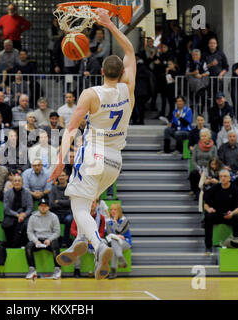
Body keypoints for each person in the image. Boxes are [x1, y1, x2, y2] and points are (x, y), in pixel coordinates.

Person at [48, 9, 136, 280]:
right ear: (122, 72)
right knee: (87, 204)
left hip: (94, 154)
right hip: (115, 162)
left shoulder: (90, 94)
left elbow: (71, 128)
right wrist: (109, 24)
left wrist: (61, 160)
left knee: (77, 206)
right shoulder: (128, 88)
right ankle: (79, 244)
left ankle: (98, 247)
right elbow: (130, 50)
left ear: (101, 71)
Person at [203, 169, 238, 254]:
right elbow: (206, 204)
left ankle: (236, 243)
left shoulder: (235, 189)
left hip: (229, 215)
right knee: (208, 217)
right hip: (216, 214)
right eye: (221, 176)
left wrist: (232, 213)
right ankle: (208, 246)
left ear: (229, 178)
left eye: (225, 176)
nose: (222, 178)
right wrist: (209, 209)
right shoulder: (214, 188)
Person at [25, 198, 61, 280]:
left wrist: (49, 239)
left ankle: (57, 269)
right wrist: (35, 241)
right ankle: (32, 270)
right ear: (38, 207)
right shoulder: (33, 217)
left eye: (45, 206)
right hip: (37, 240)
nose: (43, 208)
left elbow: (57, 232)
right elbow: (29, 232)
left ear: (48, 207)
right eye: (41, 206)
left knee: (55, 245)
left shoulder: (54, 217)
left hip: (49, 239)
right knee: (28, 246)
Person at [70, 198, 106, 278]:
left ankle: (100, 268)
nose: (91, 204)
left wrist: (93, 239)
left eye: (93, 202)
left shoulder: (101, 217)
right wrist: (85, 238)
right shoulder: (79, 215)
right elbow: (72, 230)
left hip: (94, 239)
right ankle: (77, 270)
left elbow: (102, 233)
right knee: (78, 244)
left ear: (97, 204)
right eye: (89, 203)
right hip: (82, 238)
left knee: (103, 243)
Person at [2, 175, 33, 248]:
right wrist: (17, 215)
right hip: (11, 214)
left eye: (19, 181)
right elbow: (6, 208)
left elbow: (30, 207)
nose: (17, 182)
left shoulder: (27, 193)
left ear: (22, 183)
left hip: (24, 214)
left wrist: (24, 214)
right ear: (12, 183)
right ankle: (11, 244)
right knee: (6, 224)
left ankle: (24, 244)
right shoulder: (7, 193)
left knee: (26, 225)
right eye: (15, 181)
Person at [218, 131, 238, 200]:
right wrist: (224, 167)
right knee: (224, 175)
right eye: (230, 136)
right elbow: (219, 160)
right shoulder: (222, 147)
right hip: (227, 171)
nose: (232, 138)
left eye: (234, 136)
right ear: (228, 138)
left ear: (236, 137)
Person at [189, 128, 217, 199]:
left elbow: (215, 160)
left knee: (212, 174)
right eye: (201, 136)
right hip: (199, 168)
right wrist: (199, 169)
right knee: (194, 173)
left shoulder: (213, 148)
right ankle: (196, 193)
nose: (203, 138)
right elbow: (194, 160)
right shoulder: (196, 147)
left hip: (209, 169)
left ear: (209, 137)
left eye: (205, 136)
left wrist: (208, 169)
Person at [105, 203, 132, 279]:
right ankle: (121, 258)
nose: (113, 211)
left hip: (125, 242)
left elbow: (118, 230)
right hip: (115, 242)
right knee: (114, 242)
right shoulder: (108, 221)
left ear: (119, 211)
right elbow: (109, 234)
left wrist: (115, 221)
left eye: (115, 209)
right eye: (111, 209)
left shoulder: (125, 220)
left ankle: (113, 271)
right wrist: (117, 236)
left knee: (114, 243)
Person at [49, 170, 72, 248]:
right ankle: (55, 241)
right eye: (59, 176)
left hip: (68, 213)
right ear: (57, 178)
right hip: (56, 213)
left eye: (63, 175)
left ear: (67, 177)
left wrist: (58, 201)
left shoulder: (71, 188)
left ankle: (65, 242)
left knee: (69, 220)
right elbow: (51, 204)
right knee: (52, 219)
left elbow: (71, 203)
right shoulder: (54, 189)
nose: (61, 177)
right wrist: (66, 202)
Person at [186, 49, 209, 115]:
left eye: (197, 55)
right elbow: (186, 73)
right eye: (193, 55)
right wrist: (193, 73)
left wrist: (201, 75)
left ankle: (200, 115)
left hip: (201, 84)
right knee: (192, 101)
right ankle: (191, 117)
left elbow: (207, 72)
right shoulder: (189, 62)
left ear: (199, 56)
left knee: (201, 99)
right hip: (192, 85)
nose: (195, 56)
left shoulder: (203, 62)